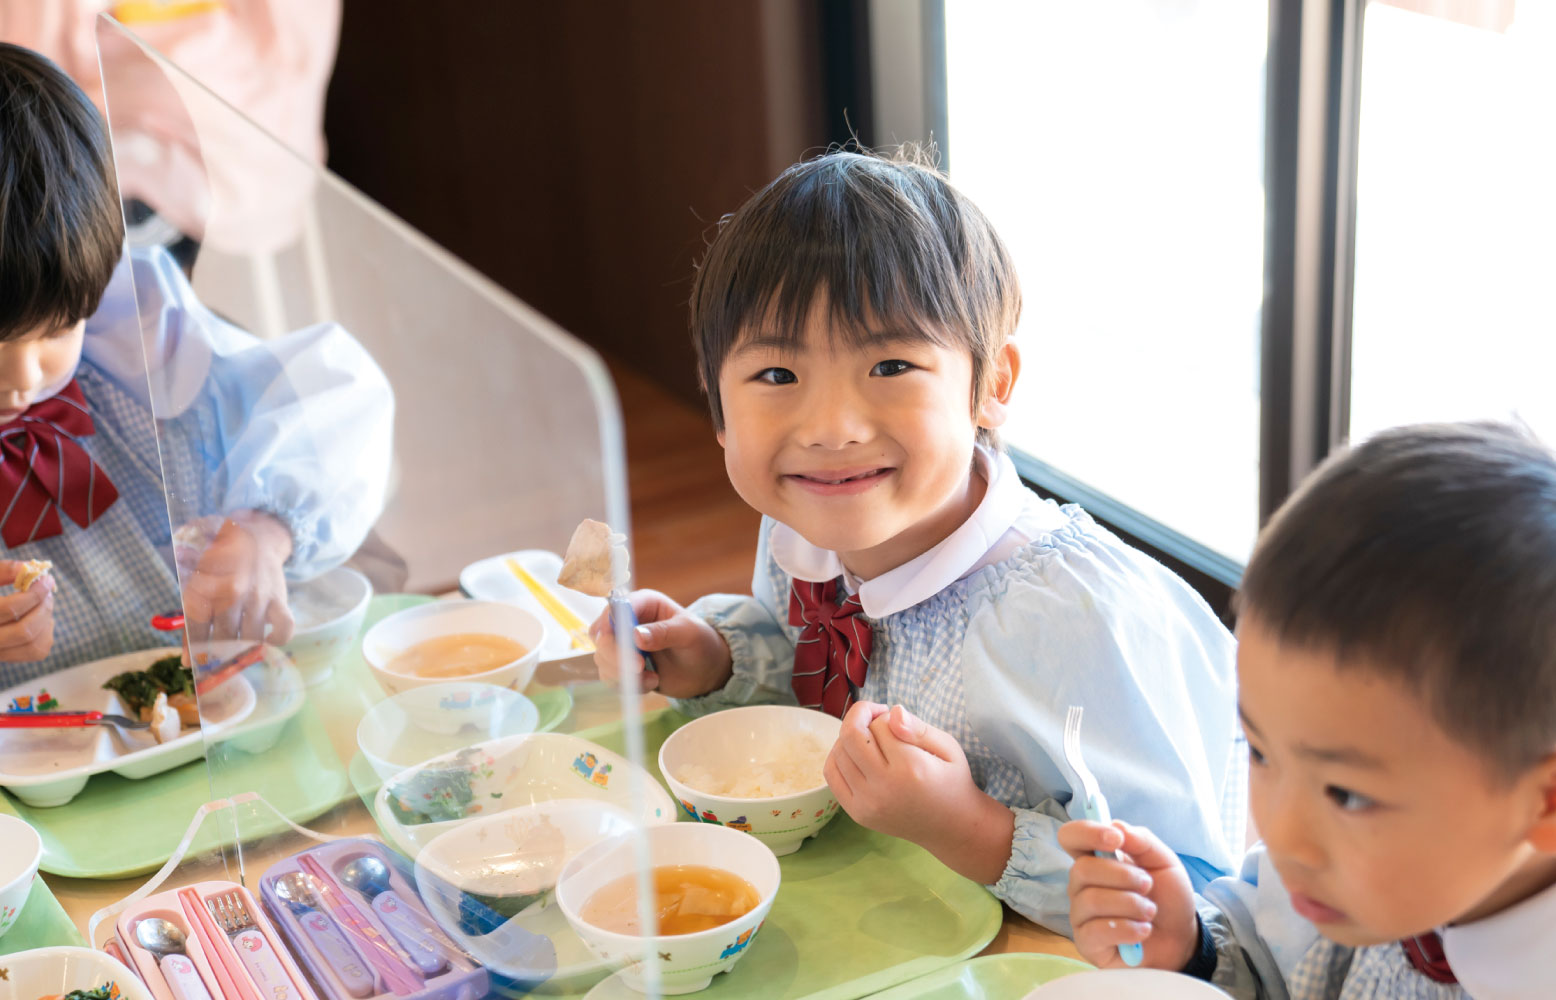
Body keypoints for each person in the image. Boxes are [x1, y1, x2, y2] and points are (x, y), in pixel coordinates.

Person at [592, 148, 1245, 931]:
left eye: (891, 364)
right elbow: (812, 685)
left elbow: (1192, 909)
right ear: (717, 404)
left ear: (991, 386)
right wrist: (716, 658)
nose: (832, 429)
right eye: (776, 376)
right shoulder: (804, 522)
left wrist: (969, 827)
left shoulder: (1077, 623)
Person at [1060, 421, 1556, 998]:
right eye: (1263, 753)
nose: (1282, 834)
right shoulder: (1342, 880)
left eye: (1346, 794)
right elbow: (1274, 961)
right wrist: (1193, 950)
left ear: (1542, 805)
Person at [0, 43, 391, 688]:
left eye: (58, 329)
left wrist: (265, 531)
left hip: (223, 717)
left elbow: (325, 406)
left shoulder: (144, 352)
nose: (22, 379)